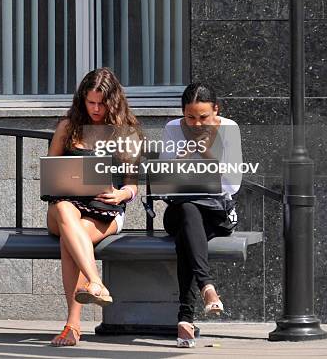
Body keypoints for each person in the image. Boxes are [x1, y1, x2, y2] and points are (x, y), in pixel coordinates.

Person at [45, 67, 140, 347]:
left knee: (71, 239)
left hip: (104, 208)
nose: (96, 109)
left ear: (114, 102)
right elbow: (51, 171)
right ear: (82, 100)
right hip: (66, 204)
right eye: (91, 102)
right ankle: (95, 280)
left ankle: (72, 326)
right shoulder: (67, 127)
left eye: (102, 103)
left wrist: (122, 195)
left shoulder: (126, 132)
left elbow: (132, 183)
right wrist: (63, 183)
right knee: (64, 210)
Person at [160, 82, 242, 349]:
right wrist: (179, 164)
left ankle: (185, 318)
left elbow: (232, 185)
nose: (196, 124)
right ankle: (207, 286)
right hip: (180, 208)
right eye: (190, 117)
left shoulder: (229, 129)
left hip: (216, 213)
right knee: (187, 209)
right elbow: (163, 185)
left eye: (203, 117)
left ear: (216, 110)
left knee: (188, 228)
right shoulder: (173, 129)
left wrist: (205, 153)